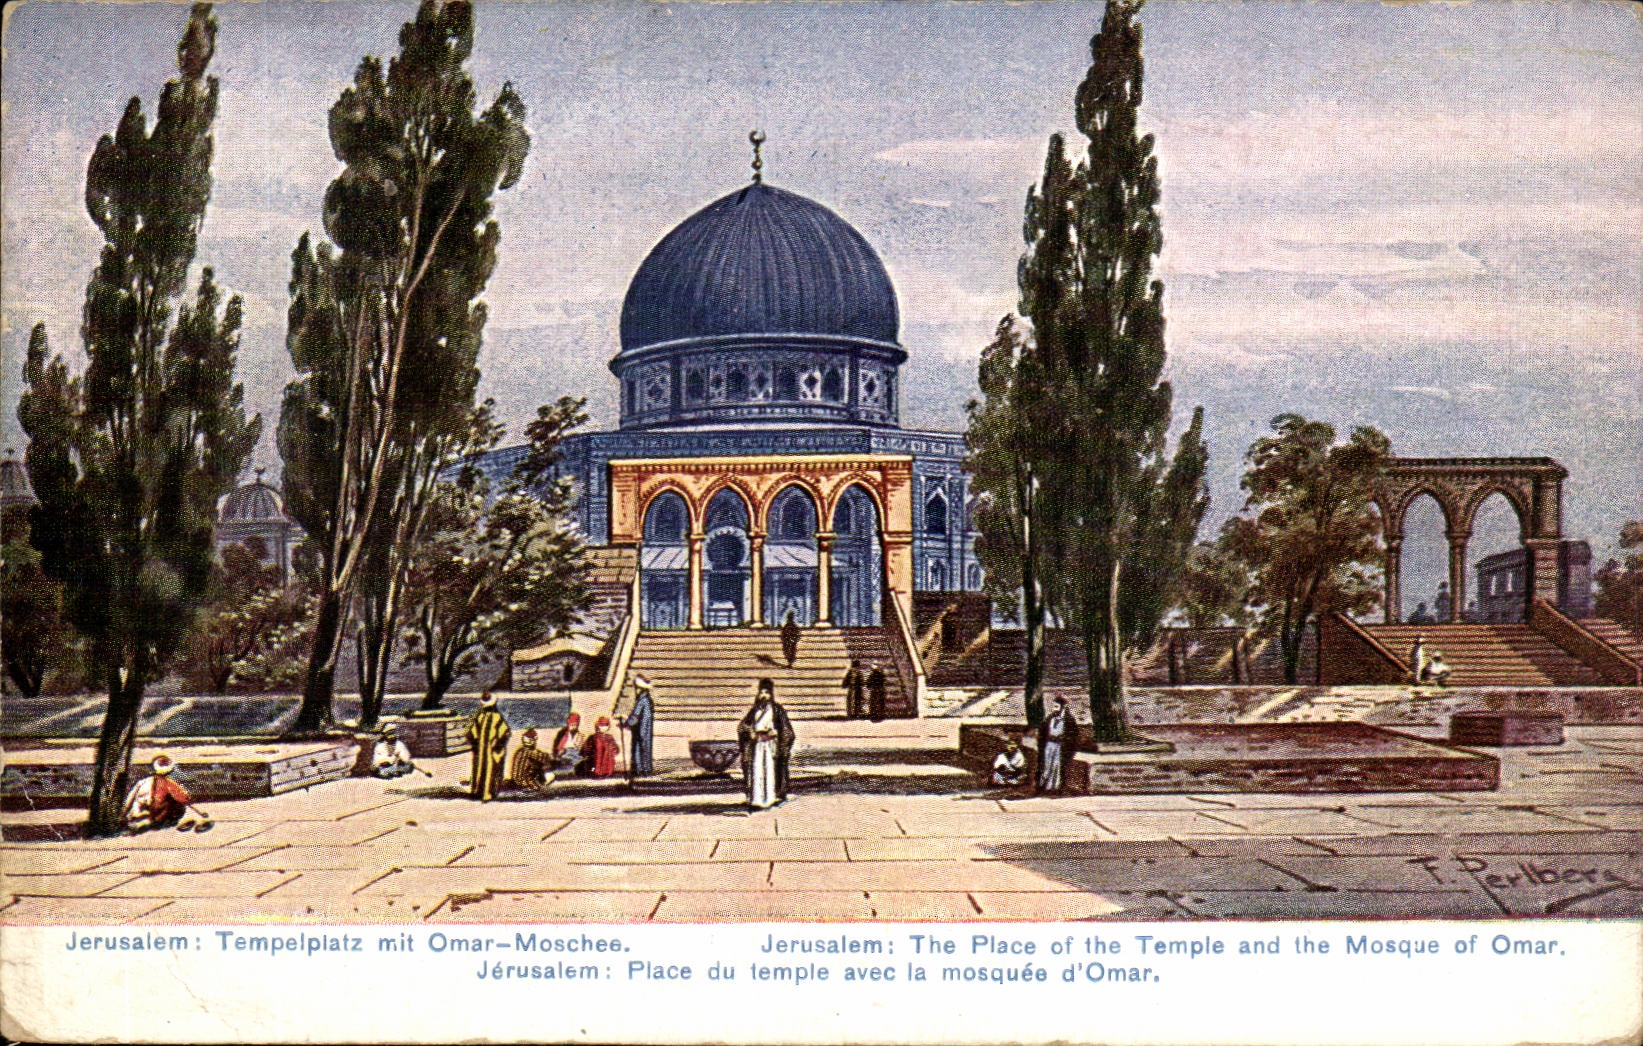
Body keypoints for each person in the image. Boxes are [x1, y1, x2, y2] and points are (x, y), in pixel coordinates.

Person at [737, 678, 795, 810]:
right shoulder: (754, 710)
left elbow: (787, 731)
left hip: (771, 745)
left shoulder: (777, 710)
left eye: (767, 693)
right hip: (757, 745)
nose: (764, 696)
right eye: (762, 693)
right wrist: (750, 732)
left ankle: (771, 797)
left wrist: (778, 736)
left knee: (769, 770)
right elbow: (743, 726)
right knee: (757, 770)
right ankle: (756, 799)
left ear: (771, 694)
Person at [123, 755, 204, 833]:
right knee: (175, 803)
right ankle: (154, 821)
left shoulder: (143, 781)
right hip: (156, 810)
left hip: (141, 807)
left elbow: (131, 797)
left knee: (139, 804)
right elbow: (183, 797)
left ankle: (135, 818)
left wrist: (125, 811)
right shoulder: (168, 782)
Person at [465, 692, 511, 802]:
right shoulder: (496, 717)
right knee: (491, 770)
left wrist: (475, 745)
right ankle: (488, 792)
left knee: (480, 768)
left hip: (482, 750)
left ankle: (477, 791)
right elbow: (504, 733)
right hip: (491, 750)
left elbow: (471, 733)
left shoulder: (480, 716)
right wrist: (498, 745)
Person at [1036, 696, 1079, 794]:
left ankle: (1054, 787)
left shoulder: (1068, 720)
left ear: (1063, 707)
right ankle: (1044, 787)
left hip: (1060, 746)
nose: (1054, 709)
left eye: (1056, 706)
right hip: (1049, 745)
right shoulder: (1050, 718)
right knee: (1047, 765)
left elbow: (1073, 735)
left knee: (1056, 766)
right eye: (1054, 706)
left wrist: (1065, 741)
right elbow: (1043, 731)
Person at [623, 676, 656, 779]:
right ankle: (645, 770)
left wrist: (626, 723)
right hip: (645, 729)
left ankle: (640, 770)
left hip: (640, 729)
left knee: (639, 749)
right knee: (645, 748)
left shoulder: (642, 700)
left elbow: (635, 716)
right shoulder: (648, 699)